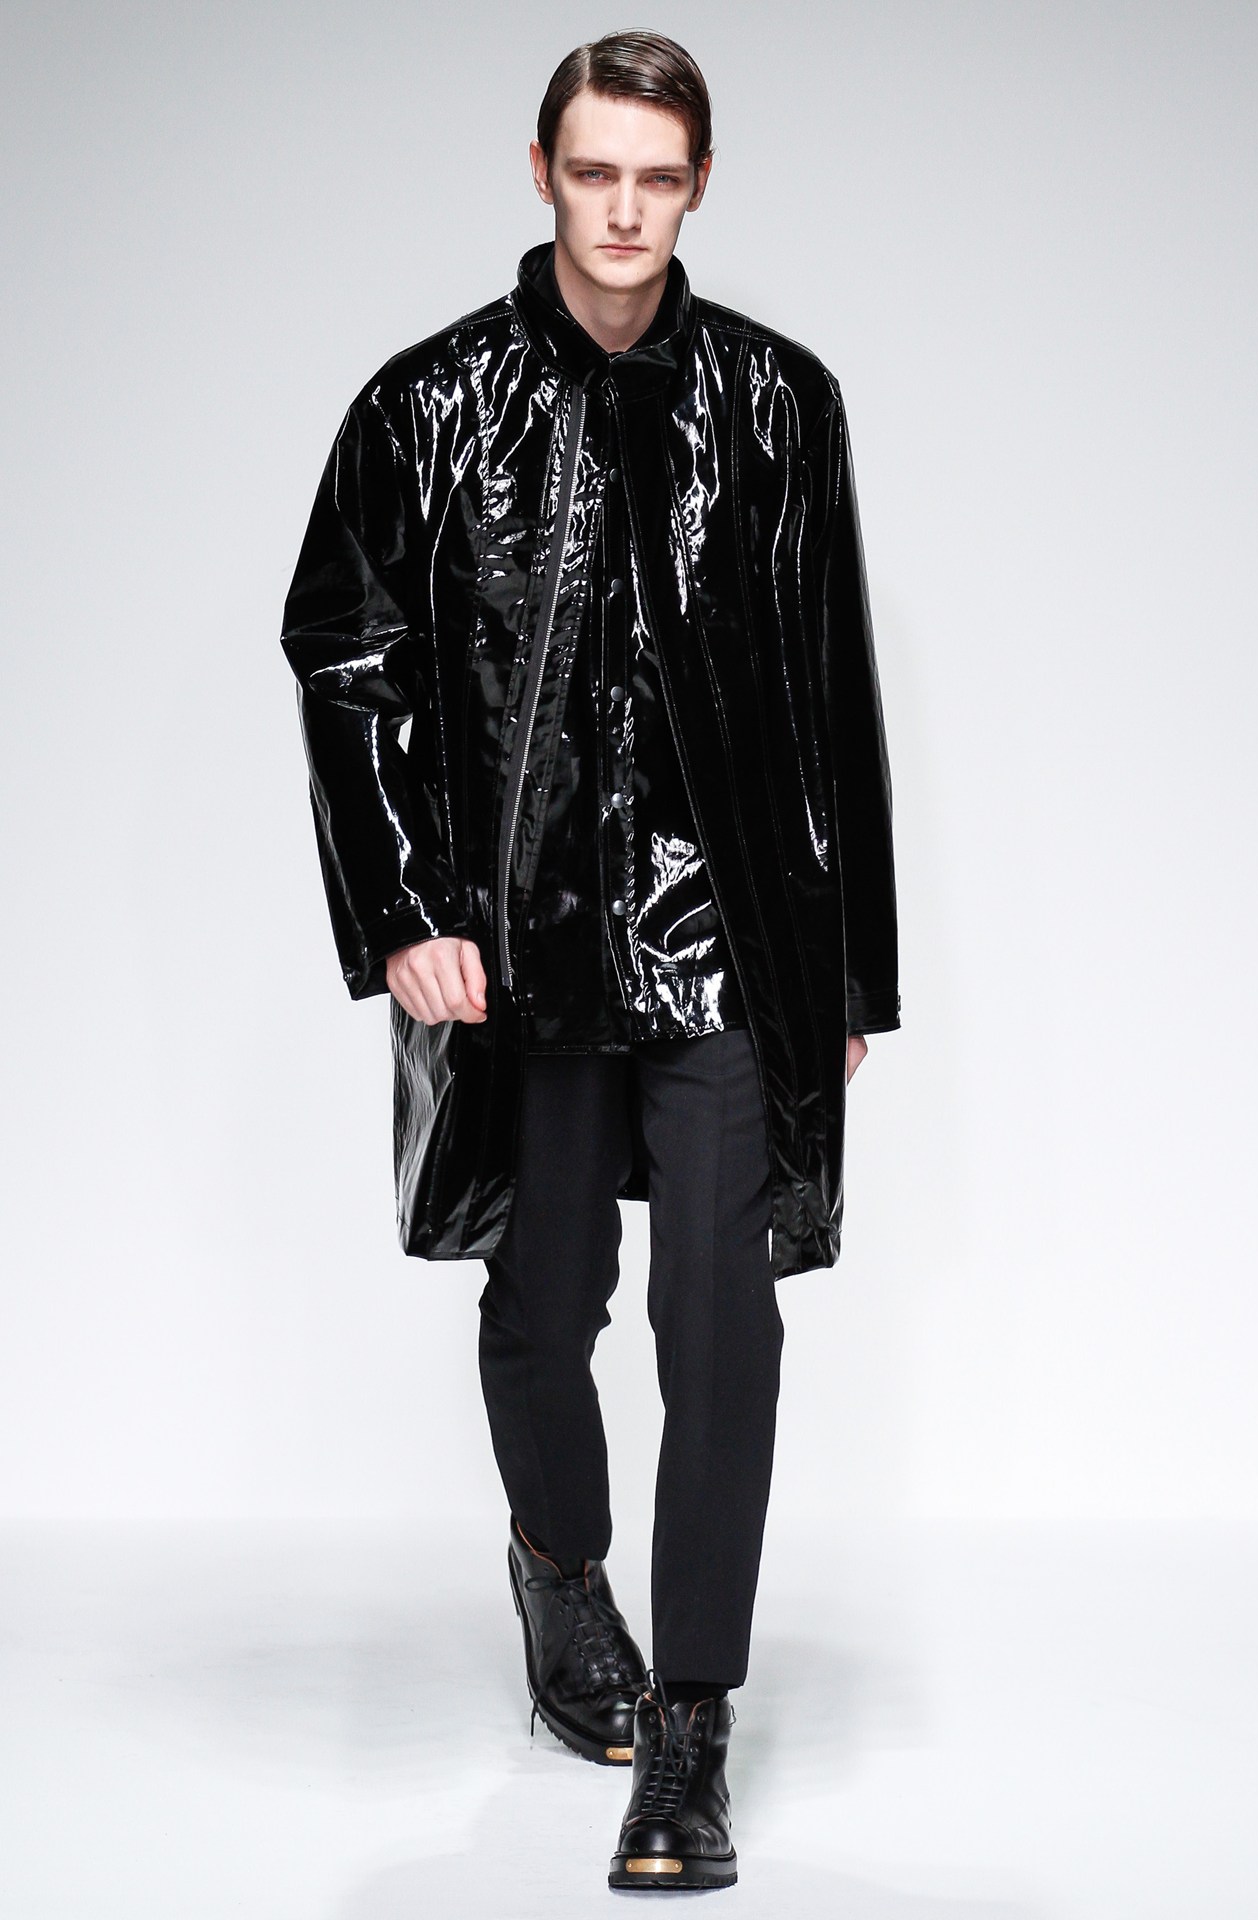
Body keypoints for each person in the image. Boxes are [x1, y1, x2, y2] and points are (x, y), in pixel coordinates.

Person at [280, 29, 900, 1893]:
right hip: (521, 932)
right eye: (594, 170)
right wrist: (405, 908)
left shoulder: (780, 402)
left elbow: (832, 686)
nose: (624, 210)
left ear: (699, 184)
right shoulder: (429, 405)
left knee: (724, 1320)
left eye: (657, 176)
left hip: (726, 939)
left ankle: (691, 1727)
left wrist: (850, 973)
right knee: (545, 1303)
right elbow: (348, 657)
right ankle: (559, 1569)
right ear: (542, 170)